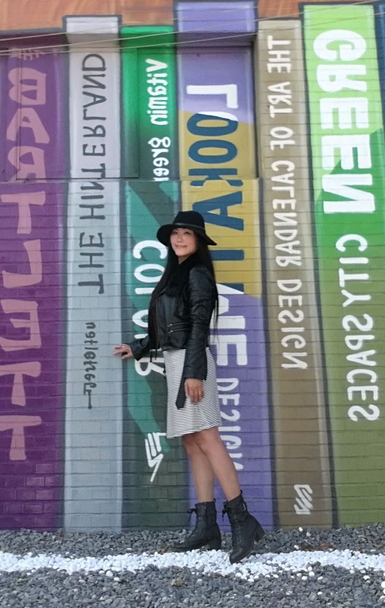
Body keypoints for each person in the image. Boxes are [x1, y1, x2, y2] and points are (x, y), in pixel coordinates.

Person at [114, 210, 264, 564]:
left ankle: (243, 521)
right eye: (175, 233)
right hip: (176, 361)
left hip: (191, 363)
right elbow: (166, 327)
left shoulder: (197, 274)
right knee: (192, 442)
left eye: (187, 234)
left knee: (208, 438)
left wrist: (193, 372)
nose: (179, 239)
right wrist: (138, 347)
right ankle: (207, 525)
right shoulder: (175, 274)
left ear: (198, 241)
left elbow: (198, 327)